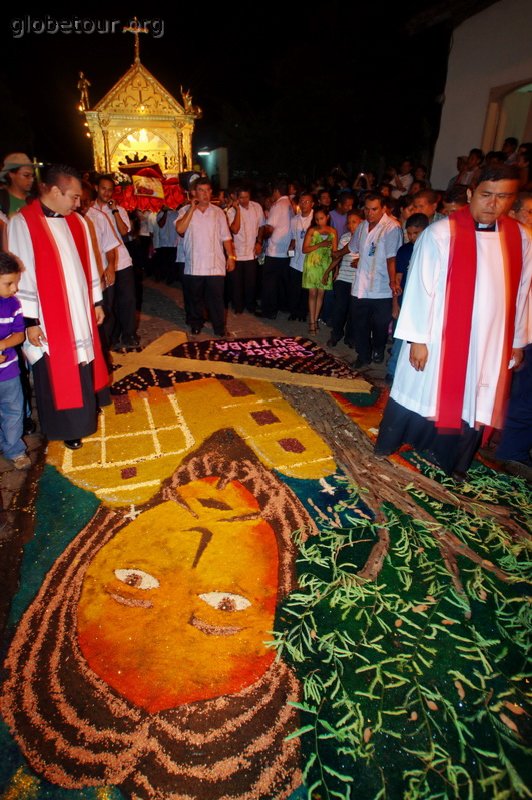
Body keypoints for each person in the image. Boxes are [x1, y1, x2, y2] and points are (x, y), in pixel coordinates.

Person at [375, 165, 532, 478]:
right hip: (439, 337)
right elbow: (420, 287)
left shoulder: (521, 238)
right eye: (487, 195)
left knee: (474, 398)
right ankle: (390, 446)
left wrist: (516, 341)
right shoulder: (441, 234)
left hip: (488, 342)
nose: (494, 203)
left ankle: (453, 463)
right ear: (472, 193)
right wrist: (417, 339)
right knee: (421, 394)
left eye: (503, 197)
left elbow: (523, 292)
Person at [8, 164, 109, 450]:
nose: (78, 203)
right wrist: (30, 322)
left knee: (85, 358)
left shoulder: (77, 221)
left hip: (78, 307)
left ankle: (86, 412)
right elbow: (21, 273)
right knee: (57, 366)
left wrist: (96, 301)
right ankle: (67, 427)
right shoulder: (23, 222)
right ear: (54, 190)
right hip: (48, 315)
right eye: (73, 197)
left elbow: (89, 262)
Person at [341, 193, 402, 369]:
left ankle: (378, 347)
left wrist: (393, 282)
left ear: (383, 208)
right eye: (366, 209)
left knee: (380, 324)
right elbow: (352, 246)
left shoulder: (392, 227)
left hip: (381, 285)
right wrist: (337, 254)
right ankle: (363, 355)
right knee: (360, 324)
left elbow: (392, 257)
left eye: (374, 209)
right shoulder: (362, 226)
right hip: (360, 285)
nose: (369, 213)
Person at [176, 178, 236, 336]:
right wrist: (191, 209)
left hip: (215, 264)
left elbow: (226, 237)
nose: (205, 194)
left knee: (216, 299)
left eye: (208, 190)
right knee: (195, 299)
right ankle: (196, 324)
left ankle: (219, 327)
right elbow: (180, 230)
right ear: (194, 192)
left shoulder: (218, 213)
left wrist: (231, 256)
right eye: (201, 190)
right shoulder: (184, 211)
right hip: (194, 264)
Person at [93, 174, 138, 350]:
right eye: (103, 188)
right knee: (108, 302)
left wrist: (115, 211)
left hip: (123, 261)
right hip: (103, 264)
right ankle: (109, 337)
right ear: (97, 188)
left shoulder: (119, 210)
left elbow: (124, 231)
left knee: (127, 300)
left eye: (110, 189)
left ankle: (129, 334)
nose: (106, 192)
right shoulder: (90, 211)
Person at [386, 213, 429, 383]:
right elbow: (397, 279)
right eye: (409, 233)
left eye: (416, 233)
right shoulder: (405, 250)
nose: (412, 237)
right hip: (405, 301)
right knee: (399, 340)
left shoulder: (431, 248)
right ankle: (392, 371)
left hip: (424, 304)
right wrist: (395, 304)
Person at [0, 252, 30, 469]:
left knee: (13, 411)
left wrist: (2, 345)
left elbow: (19, 335)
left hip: (9, 371)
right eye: (9, 283)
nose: (14, 289)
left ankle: (15, 450)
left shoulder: (13, 304)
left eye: (16, 283)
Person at [323, 209, 364, 348]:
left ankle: (350, 337)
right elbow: (338, 256)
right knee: (339, 308)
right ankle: (336, 334)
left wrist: (361, 259)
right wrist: (328, 271)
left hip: (358, 280)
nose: (351, 225)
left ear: (362, 222)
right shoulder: (345, 237)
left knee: (354, 310)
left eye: (355, 222)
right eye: (349, 222)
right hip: (343, 278)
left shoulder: (367, 238)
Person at [258, 180, 293, 319]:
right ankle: (283, 306)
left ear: (276, 191)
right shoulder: (290, 204)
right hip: (285, 250)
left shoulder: (278, 205)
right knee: (281, 282)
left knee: (269, 282)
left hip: (275, 250)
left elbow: (269, 228)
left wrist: (262, 237)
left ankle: (269, 311)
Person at [227, 187, 265, 314]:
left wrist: (259, 242)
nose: (244, 200)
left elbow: (261, 226)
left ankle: (251, 305)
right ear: (236, 198)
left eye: (246, 197)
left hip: (251, 252)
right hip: (237, 252)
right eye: (241, 198)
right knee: (236, 283)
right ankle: (238, 306)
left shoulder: (256, 207)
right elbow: (235, 229)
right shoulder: (231, 211)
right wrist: (238, 210)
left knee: (251, 282)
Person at [302, 207, 337, 335]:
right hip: (312, 263)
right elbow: (304, 249)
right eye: (316, 219)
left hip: (325, 264)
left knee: (321, 293)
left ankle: (315, 320)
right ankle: (311, 322)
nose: (319, 221)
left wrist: (335, 268)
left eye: (321, 218)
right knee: (312, 293)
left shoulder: (333, 231)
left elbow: (334, 253)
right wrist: (319, 245)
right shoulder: (312, 230)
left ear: (327, 217)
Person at [287, 192, 314, 321]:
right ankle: (294, 311)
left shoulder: (315, 218)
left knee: (306, 289)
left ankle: (303, 313)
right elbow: (293, 237)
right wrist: (291, 246)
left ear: (312, 204)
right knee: (294, 288)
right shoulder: (294, 219)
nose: (304, 204)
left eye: (307, 202)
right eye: (302, 201)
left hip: (310, 259)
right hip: (296, 259)